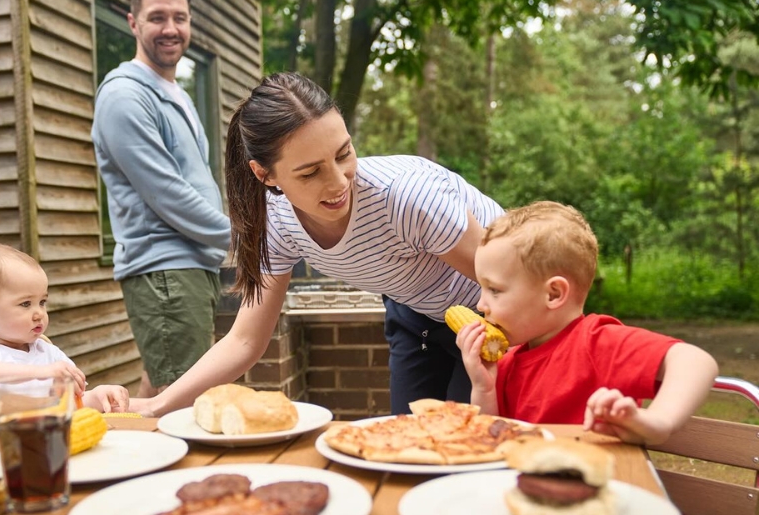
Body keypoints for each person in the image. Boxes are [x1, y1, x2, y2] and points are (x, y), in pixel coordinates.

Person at [129, 72, 504, 417]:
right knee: (408, 441)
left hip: (495, 311)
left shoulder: (409, 197)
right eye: (310, 172)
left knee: (465, 437)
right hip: (416, 317)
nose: (339, 182)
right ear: (264, 174)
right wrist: (154, 405)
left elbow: (510, 284)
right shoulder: (276, 221)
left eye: (344, 154)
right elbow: (245, 340)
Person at [455, 201, 718, 445]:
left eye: (494, 290)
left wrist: (658, 422)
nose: (480, 304)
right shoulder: (507, 364)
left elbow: (696, 362)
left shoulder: (596, 343)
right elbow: (494, 442)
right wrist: (483, 389)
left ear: (553, 294)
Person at [92, 0, 230, 398]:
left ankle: (131, 443)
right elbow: (167, 194)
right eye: (157, 18)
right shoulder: (125, 96)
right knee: (182, 400)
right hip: (166, 267)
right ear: (133, 23)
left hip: (190, 264)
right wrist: (241, 236)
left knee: (159, 391)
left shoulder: (174, 93)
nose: (170, 28)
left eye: (179, 18)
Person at [0, 244, 130, 413]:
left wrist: (98, 397)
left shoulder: (49, 354)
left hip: (42, 431)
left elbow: (69, 404)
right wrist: (42, 372)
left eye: (42, 302)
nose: (39, 314)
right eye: (25, 304)